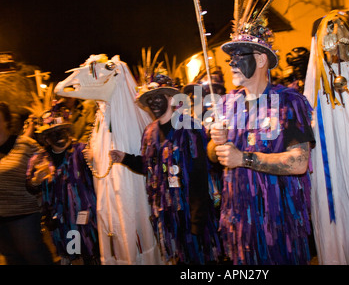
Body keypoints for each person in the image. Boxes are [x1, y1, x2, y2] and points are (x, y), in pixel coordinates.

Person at [207, 0, 315, 262]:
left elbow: (299, 162)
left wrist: (243, 158)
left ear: (261, 59)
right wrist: (215, 142)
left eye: (238, 56)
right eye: (229, 57)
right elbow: (214, 155)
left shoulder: (290, 101)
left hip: (279, 228)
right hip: (239, 226)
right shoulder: (227, 103)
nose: (230, 63)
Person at [109, 74, 222, 264]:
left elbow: (200, 176)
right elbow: (149, 167)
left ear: (170, 99)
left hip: (192, 212)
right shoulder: (149, 132)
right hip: (169, 214)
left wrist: (197, 219)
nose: (153, 102)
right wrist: (125, 158)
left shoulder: (190, 128)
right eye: (150, 99)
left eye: (158, 97)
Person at [26, 106, 100, 264]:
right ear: (46, 138)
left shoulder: (82, 151)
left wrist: (95, 161)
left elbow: (101, 176)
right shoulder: (39, 159)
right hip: (61, 222)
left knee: (93, 255)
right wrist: (35, 181)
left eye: (62, 130)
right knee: (73, 255)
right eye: (53, 133)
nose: (59, 136)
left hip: (88, 220)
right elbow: (31, 187)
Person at [0, 101, 54, 265]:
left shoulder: (24, 144)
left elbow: (47, 168)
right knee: (12, 259)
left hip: (24, 215)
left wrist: (40, 179)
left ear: (6, 121)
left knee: (35, 256)